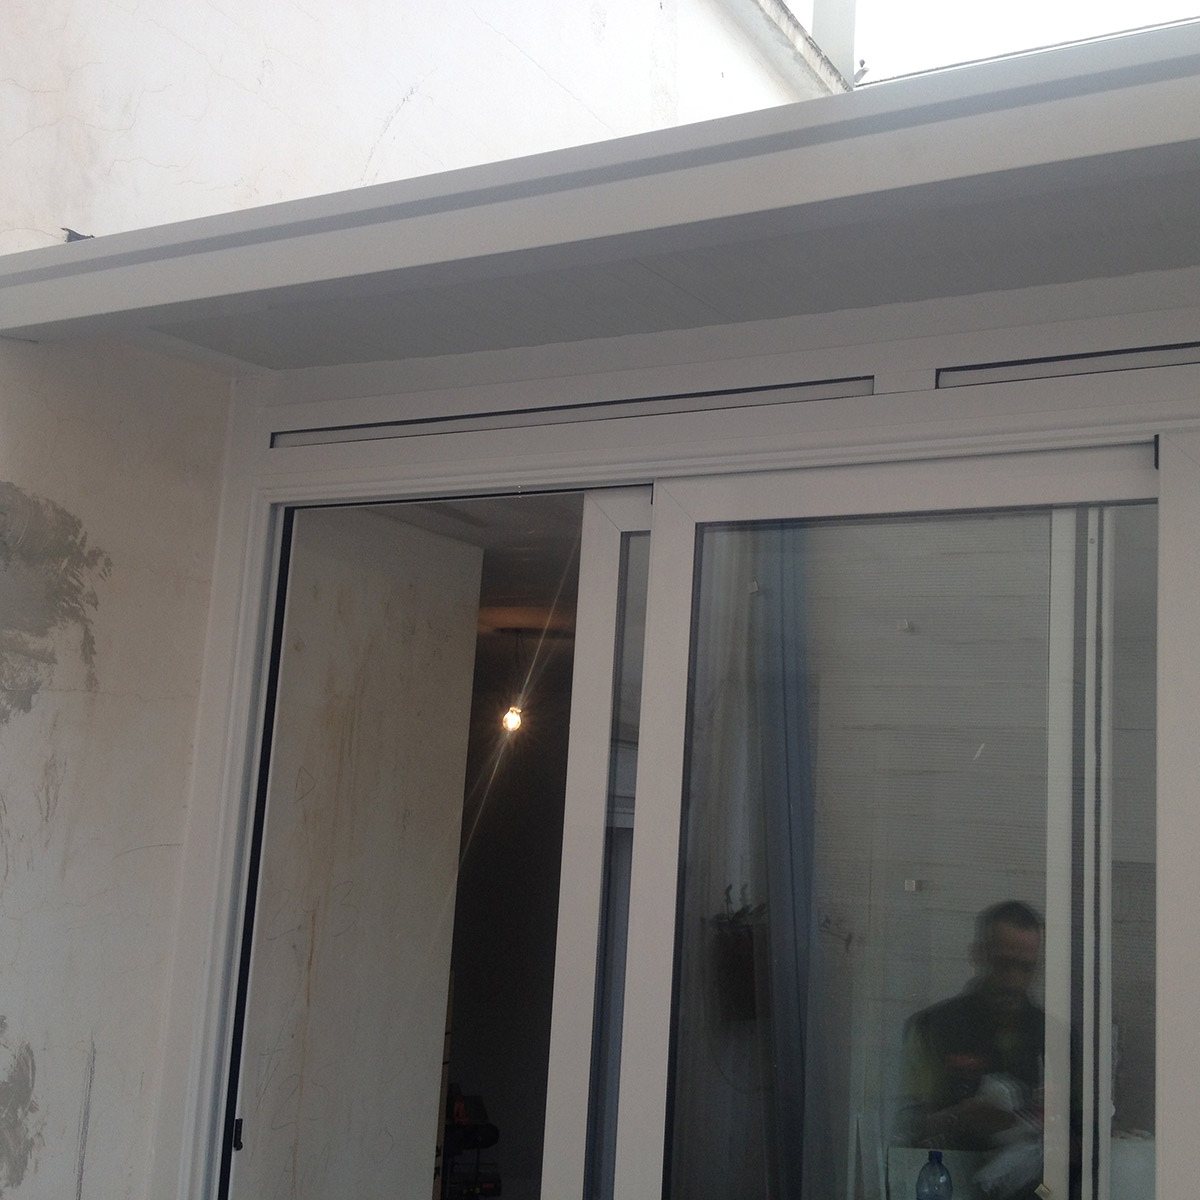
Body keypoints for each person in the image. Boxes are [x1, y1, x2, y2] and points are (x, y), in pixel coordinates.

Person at [899, 901, 1045, 1200]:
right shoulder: (934, 1028)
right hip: (950, 1187)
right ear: (978, 954)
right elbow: (906, 1131)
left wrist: (1052, 1130)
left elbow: (1089, 1138)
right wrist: (959, 1117)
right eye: (1003, 964)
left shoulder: (1056, 1038)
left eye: (1026, 968)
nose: (1014, 980)